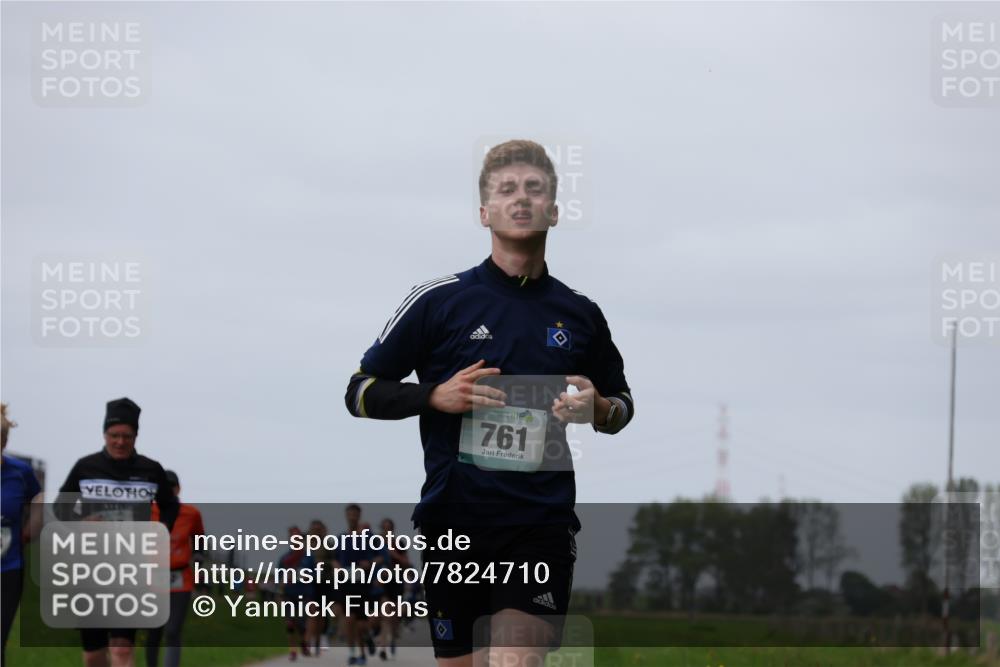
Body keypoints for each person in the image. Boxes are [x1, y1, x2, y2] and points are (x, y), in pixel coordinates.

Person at [345, 139, 634, 667]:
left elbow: (621, 404)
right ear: (484, 212)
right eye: (506, 189)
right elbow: (360, 391)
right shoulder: (438, 301)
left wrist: (599, 409)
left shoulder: (581, 314)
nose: (520, 199)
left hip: (538, 526)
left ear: (553, 209)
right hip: (453, 524)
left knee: (514, 661)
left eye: (534, 189)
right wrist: (433, 395)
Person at [56, 398, 179, 667]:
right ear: (104, 435)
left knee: (122, 648)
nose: (120, 442)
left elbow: (170, 506)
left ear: (135, 436)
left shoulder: (151, 469)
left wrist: (160, 532)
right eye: (114, 436)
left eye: (127, 436)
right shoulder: (85, 467)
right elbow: (61, 507)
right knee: (94, 652)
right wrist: (81, 523)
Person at [145, 470, 205, 667]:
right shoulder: (147, 512)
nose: (167, 490)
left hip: (181, 577)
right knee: (154, 630)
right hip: (154, 577)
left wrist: (198, 559)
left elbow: (199, 539)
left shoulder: (191, 513)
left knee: (173, 630)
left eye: (171, 486)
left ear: (178, 489)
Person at [1, 404, 43, 667]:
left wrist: (32, 527)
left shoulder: (19, 472)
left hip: (8, 567)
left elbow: (38, 498)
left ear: (4, 442)